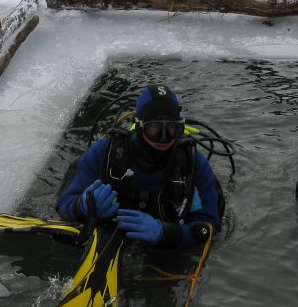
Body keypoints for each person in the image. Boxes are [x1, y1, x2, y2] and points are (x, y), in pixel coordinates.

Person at [56, 84, 221, 247]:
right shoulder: (105, 153)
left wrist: (167, 233)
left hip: (167, 253)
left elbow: (209, 228)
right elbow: (63, 204)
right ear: (139, 125)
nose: (163, 138)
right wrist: (84, 207)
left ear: (181, 127)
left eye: (172, 128)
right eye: (154, 128)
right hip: (107, 239)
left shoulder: (193, 164)